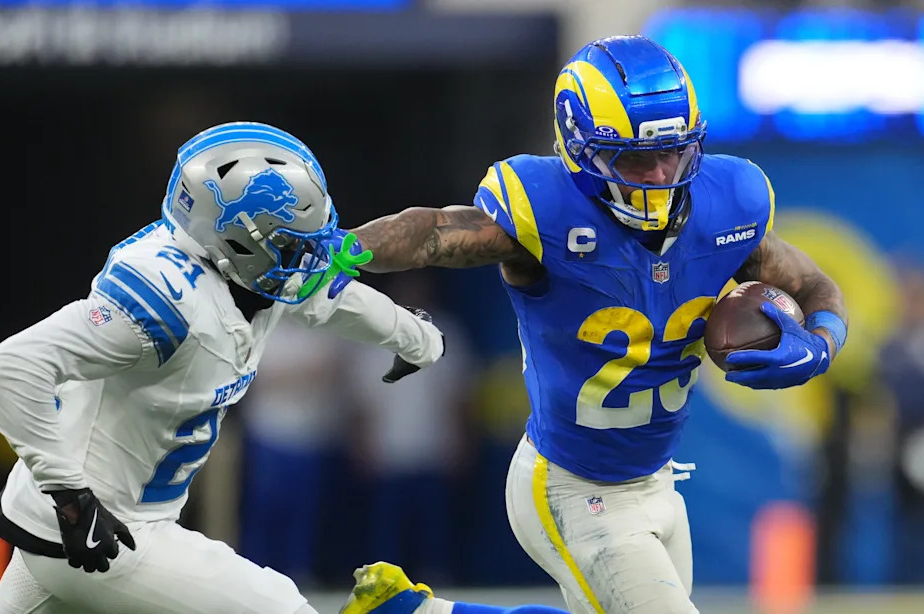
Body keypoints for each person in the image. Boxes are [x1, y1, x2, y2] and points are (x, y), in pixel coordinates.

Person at [338, 35, 848, 614]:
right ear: (580, 149)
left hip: (657, 481)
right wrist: (342, 251)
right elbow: (432, 232)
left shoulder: (729, 203)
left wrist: (824, 342)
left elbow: (814, 286)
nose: (658, 174)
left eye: (673, 153)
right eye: (634, 158)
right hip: (572, 485)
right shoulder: (543, 211)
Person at [0, 121, 445, 614]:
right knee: (282, 607)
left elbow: (327, 295)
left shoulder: (249, 272)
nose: (307, 257)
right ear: (239, 240)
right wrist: (71, 498)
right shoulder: (168, 300)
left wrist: (417, 340)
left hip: (76, 526)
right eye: (291, 244)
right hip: (102, 530)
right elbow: (12, 365)